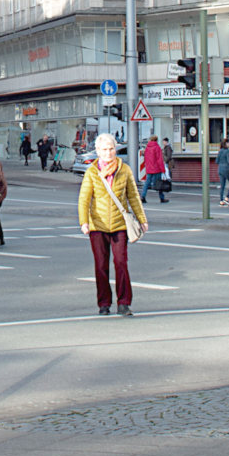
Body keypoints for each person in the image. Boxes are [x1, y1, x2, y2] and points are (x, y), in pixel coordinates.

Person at [78, 132, 145, 317]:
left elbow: (133, 196)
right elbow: (84, 199)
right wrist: (84, 222)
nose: (109, 153)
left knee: (121, 262)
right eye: (105, 150)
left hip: (119, 225)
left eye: (111, 149)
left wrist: (142, 219)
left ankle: (124, 303)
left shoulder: (125, 170)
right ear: (98, 151)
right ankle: (104, 303)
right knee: (101, 265)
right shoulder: (92, 172)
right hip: (97, 226)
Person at [139, 131, 168, 203]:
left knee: (147, 183)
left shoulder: (147, 148)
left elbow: (145, 158)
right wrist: (163, 169)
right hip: (156, 169)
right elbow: (159, 159)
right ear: (156, 140)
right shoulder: (157, 147)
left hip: (149, 168)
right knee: (159, 183)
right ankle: (162, 198)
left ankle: (143, 196)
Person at [215, 139, 229, 206]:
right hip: (226, 169)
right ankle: (227, 197)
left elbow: (217, 161)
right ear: (226, 143)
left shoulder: (220, 151)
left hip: (220, 169)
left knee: (222, 186)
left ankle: (221, 200)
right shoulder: (227, 151)